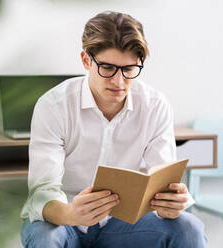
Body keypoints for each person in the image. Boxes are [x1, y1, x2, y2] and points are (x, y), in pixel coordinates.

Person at [20, 11, 207, 248]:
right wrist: (73, 214)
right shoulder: (54, 106)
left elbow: (163, 178)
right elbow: (42, 193)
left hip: (120, 224)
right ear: (86, 60)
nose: (118, 82)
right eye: (107, 68)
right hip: (64, 219)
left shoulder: (154, 105)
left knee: (189, 229)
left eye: (129, 69)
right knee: (45, 238)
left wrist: (172, 203)